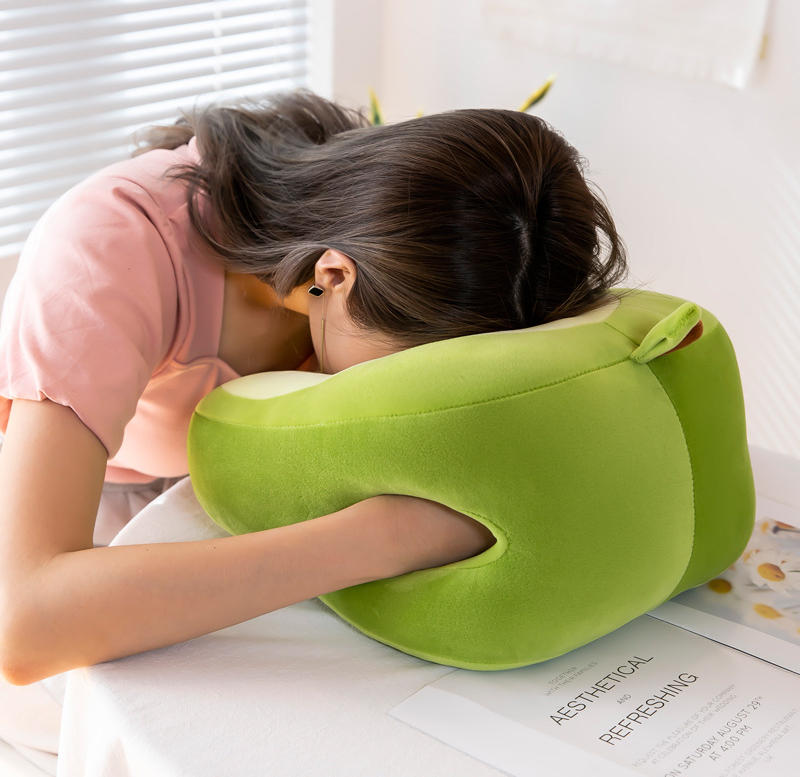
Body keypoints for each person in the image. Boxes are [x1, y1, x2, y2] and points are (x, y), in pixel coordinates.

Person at [0, 90, 626, 771]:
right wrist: (393, 537)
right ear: (333, 276)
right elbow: (26, 623)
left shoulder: (396, 233)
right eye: (417, 370)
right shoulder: (110, 248)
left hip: (214, 494)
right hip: (69, 506)